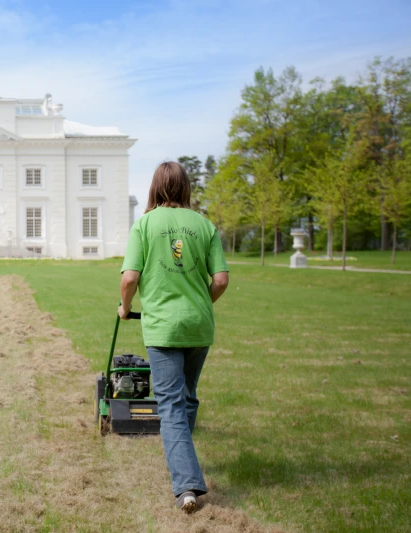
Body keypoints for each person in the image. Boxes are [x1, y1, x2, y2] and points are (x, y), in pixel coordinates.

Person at [119, 161, 229, 514]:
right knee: (187, 397)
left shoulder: (146, 224)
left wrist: (125, 307)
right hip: (199, 325)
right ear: (185, 188)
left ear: (155, 187)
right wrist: (199, 305)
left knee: (170, 406)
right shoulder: (205, 225)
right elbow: (221, 280)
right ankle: (184, 457)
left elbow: (129, 278)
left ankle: (186, 486)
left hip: (164, 326)